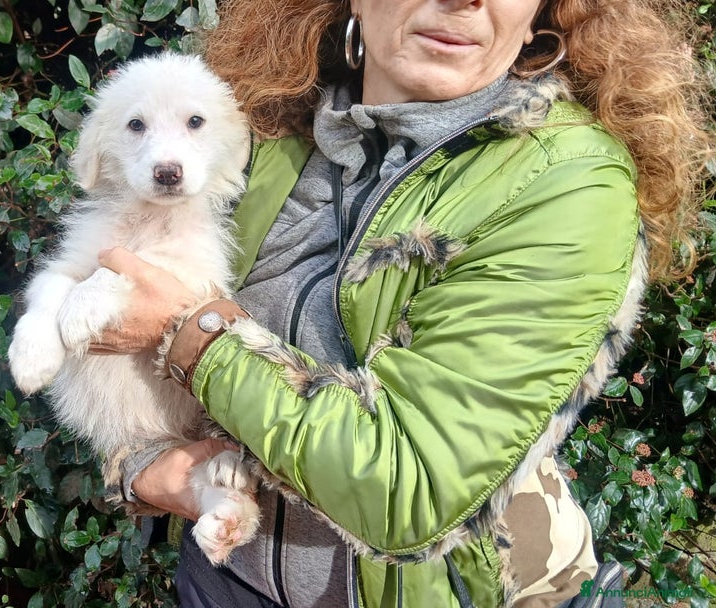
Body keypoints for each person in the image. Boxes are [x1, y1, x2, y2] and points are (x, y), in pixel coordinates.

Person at [91, 0, 712, 606]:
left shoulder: (566, 184)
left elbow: (407, 489)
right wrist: (141, 467)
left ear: (541, 16)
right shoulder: (260, 126)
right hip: (223, 577)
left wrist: (192, 333)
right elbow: (110, 328)